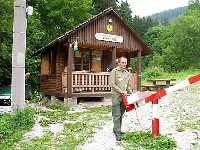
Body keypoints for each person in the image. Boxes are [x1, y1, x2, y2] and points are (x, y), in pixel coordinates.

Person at [110, 56, 133, 141]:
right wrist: (121, 91)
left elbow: (128, 86)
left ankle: (116, 129)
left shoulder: (127, 73)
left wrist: (132, 92)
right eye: (122, 62)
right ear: (119, 63)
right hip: (116, 97)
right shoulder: (114, 72)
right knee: (116, 115)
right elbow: (112, 84)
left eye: (125, 63)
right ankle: (118, 133)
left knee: (121, 115)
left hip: (124, 98)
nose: (124, 64)